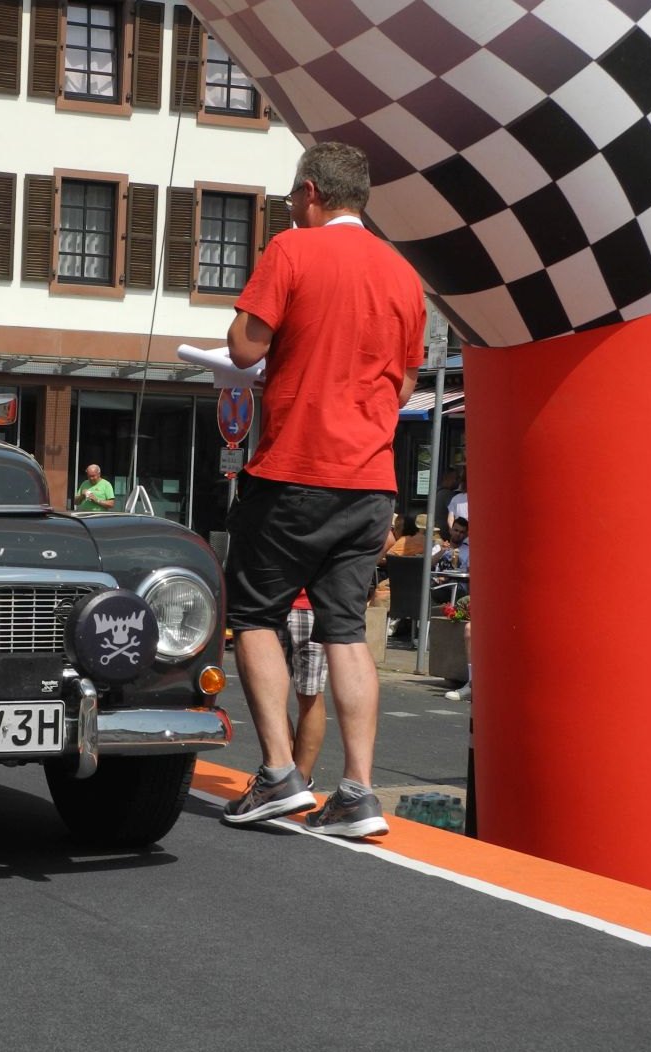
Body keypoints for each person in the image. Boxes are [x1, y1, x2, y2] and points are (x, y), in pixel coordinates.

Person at [218, 141, 425, 839]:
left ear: (310, 192)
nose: (290, 209)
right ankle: (358, 792)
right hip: (369, 480)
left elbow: (244, 347)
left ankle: (280, 774)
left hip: (295, 467)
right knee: (345, 629)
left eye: (291, 198)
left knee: (254, 615)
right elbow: (404, 383)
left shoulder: (292, 250)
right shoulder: (403, 274)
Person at [284, 592, 327, 787]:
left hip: (310, 605)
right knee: (268, 698)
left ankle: (300, 779)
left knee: (310, 696)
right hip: (268, 606)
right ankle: (284, 774)